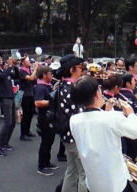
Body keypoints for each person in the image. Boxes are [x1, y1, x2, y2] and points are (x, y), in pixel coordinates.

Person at [69, 75, 137, 192]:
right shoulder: (111, 118)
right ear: (96, 94)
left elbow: (96, 128)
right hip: (115, 184)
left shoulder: (74, 120)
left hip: (93, 182)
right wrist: (131, 113)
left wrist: (109, 113)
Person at [56, 54, 87, 192]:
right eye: (80, 68)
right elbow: (80, 114)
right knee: (84, 173)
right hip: (76, 136)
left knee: (71, 170)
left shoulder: (63, 85)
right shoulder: (71, 89)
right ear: (71, 70)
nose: (82, 70)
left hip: (68, 136)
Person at [34, 66, 60, 176]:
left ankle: (47, 161)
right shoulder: (40, 87)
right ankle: (41, 165)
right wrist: (53, 102)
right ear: (44, 75)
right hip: (44, 117)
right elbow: (37, 102)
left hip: (49, 117)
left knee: (50, 140)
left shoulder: (46, 86)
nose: (52, 76)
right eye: (50, 73)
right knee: (45, 141)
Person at [0, 53, 16, 156]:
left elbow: (14, 75)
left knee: (13, 122)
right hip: (4, 97)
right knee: (8, 123)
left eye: (0, 57)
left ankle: (5, 143)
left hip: (10, 96)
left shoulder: (3, 69)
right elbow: (3, 76)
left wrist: (14, 66)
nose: (0, 59)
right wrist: (9, 66)